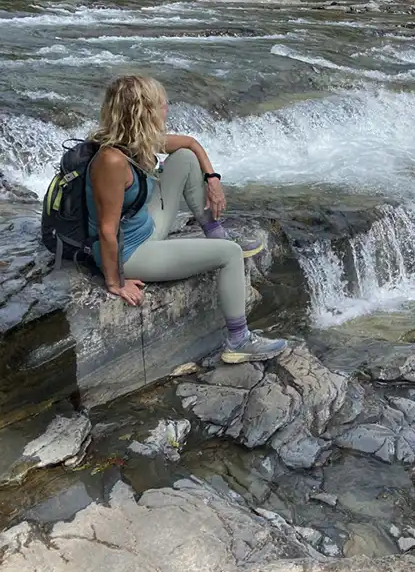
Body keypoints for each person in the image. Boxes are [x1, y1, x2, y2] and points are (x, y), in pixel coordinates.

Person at [86, 75, 287, 364]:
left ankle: (216, 235)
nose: (166, 108)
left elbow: (191, 144)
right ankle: (239, 341)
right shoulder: (111, 161)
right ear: (142, 112)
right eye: (160, 104)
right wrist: (115, 282)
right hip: (131, 253)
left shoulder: (135, 141)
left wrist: (212, 180)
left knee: (183, 158)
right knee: (230, 254)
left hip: (146, 229)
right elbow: (107, 230)